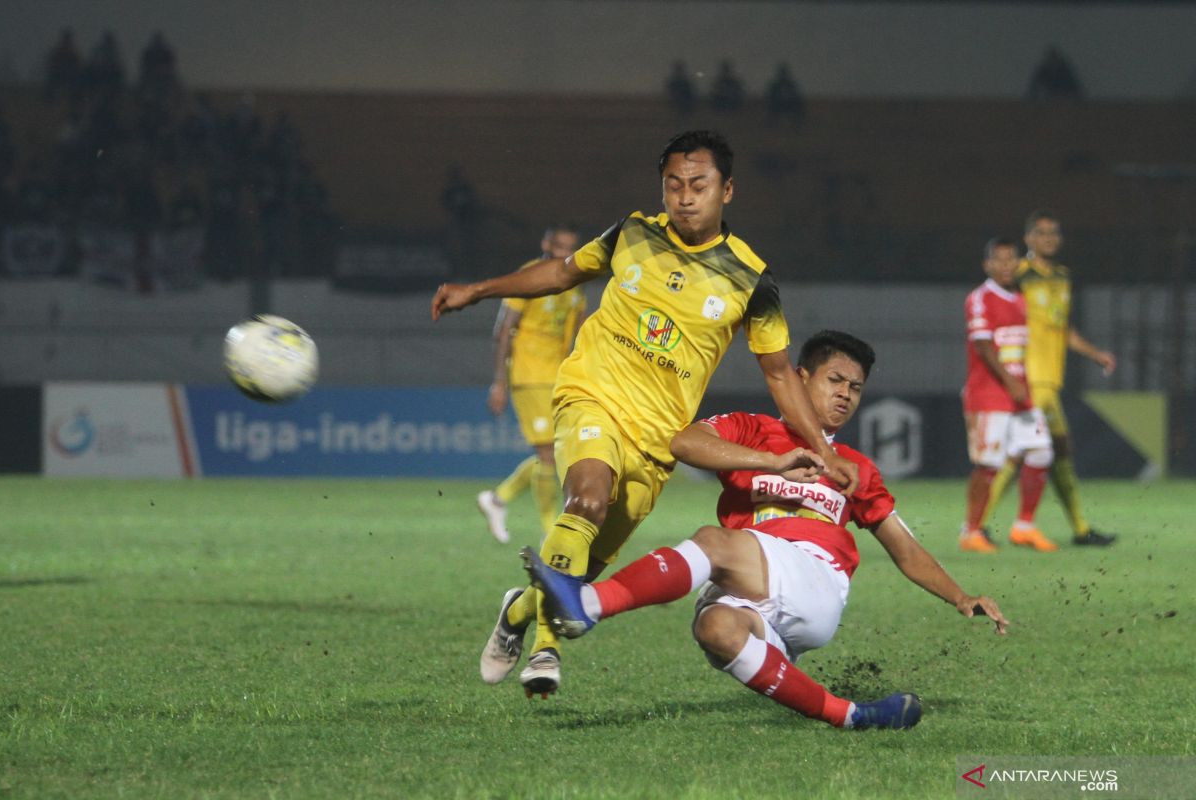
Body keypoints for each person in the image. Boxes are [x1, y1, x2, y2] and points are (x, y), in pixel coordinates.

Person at [432, 130, 859, 698]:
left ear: (726, 190)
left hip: (658, 439)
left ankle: (518, 612)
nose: (684, 197)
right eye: (673, 186)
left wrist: (825, 453)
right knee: (585, 497)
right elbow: (562, 273)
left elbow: (780, 373)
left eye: (698, 186)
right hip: (593, 394)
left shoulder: (751, 279)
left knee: (584, 569)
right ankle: (545, 652)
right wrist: (478, 290)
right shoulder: (631, 233)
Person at [523, 330, 1008, 729]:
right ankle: (852, 715)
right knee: (714, 628)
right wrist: (772, 461)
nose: (844, 394)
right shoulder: (752, 429)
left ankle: (587, 605)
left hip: (815, 581)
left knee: (712, 541)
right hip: (754, 594)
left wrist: (961, 596)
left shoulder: (853, 467)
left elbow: (903, 547)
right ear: (800, 380)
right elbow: (685, 443)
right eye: (834, 380)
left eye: (855, 388)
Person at [979, 211, 1118, 546]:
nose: (1048, 239)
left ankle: (1081, 529)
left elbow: (1062, 329)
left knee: (1058, 450)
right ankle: (977, 526)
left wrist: (1096, 353)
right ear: (1028, 239)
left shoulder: (1061, 276)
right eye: (1041, 233)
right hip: (1029, 377)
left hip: (1050, 379)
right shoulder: (1019, 276)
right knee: (1026, 450)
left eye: (1053, 233)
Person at [477, 225, 585, 543]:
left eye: (570, 248)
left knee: (552, 454)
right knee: (548, 454)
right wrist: (499, 382)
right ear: (546, 244)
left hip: (556, 376)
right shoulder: (529, 277)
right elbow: (504, 329)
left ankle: (497, 500)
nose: (565, 254)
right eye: (559, 247)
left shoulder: (574, 287)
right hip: (527, 374)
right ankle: (549, 529)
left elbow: (576, 335)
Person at [959, 238, 1055, 553]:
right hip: (989, 394)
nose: (1005, 266)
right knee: (988, 465)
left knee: (1041, 451)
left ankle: (1024, 527)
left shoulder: (1020, 298)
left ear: (1018, 263)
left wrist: (1023, 383)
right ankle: (971, 532)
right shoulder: (980, 298)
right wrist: (1009, 381)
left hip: (1019, 394)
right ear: (987, 265)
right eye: (998, 260)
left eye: (1010, 260)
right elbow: (983, 345)